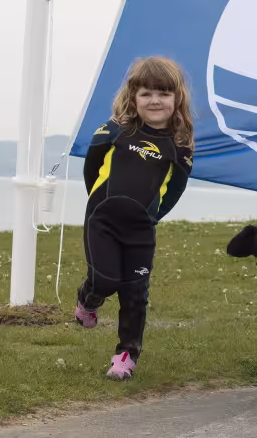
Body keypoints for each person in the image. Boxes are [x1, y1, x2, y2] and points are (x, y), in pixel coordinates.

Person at [74, 56, 194, 379]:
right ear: (133, 96)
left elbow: (175, 190)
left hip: (141, 230)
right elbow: (92, 166)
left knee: (135, 293)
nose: (155, 100)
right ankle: (87, 301)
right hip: (102, 220)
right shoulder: (115, 129)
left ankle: (125, 356)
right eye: (146, 93)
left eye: (164, 93)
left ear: (176, 98)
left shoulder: (180, 146)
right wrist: (99, 201)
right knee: (104, 280)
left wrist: (151, 216)